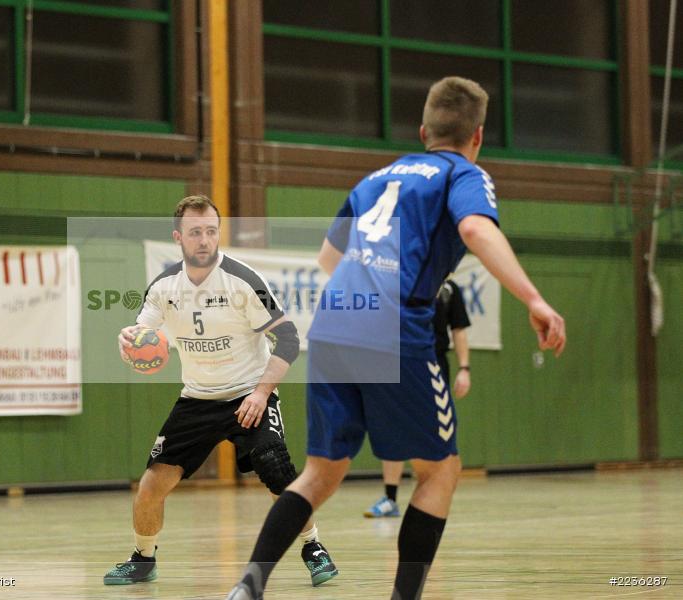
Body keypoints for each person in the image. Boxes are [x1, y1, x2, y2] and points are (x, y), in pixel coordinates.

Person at [226, 76, 565, 600]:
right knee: (439, 471)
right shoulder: (463, 173)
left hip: (336, 318)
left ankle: (250, 585)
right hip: (396, 323)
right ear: (477, 137)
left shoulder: (375, 178)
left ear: (423, 129)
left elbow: (327, 259)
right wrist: (535, 299)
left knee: (320, 472)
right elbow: (476, 230)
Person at [103, 196, 338, 588]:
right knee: (150, 487)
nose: (205, 240)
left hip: (249, 393)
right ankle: (143, 558)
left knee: (276, 469)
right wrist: (127, 340)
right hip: (197, 398)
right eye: (195, 232)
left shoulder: (243, 281)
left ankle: (313, 547)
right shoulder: (164, 286)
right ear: (178, 237)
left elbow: (288, 340)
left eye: (211, 231)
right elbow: (139, 334)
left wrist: (261, 394)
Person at [366, 278, 471, 519]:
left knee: (437, 430)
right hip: (398, 362)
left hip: (434, 363)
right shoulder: (397, 282)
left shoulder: (449, 289)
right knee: (394, 426)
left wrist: (465, 368)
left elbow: (459, 330)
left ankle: (436, 490)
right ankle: (390, 499)